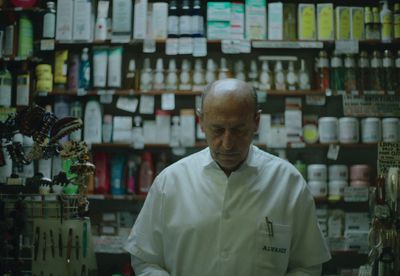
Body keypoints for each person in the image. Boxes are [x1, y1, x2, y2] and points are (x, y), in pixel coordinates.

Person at [124, 78, 331, 276]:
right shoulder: (170, 182)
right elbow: (145, 259)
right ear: (201, 122)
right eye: (217, 129)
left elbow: (308, 265)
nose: (227, 143)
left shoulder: (287, 183)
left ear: (256, 122)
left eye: (238, 129)